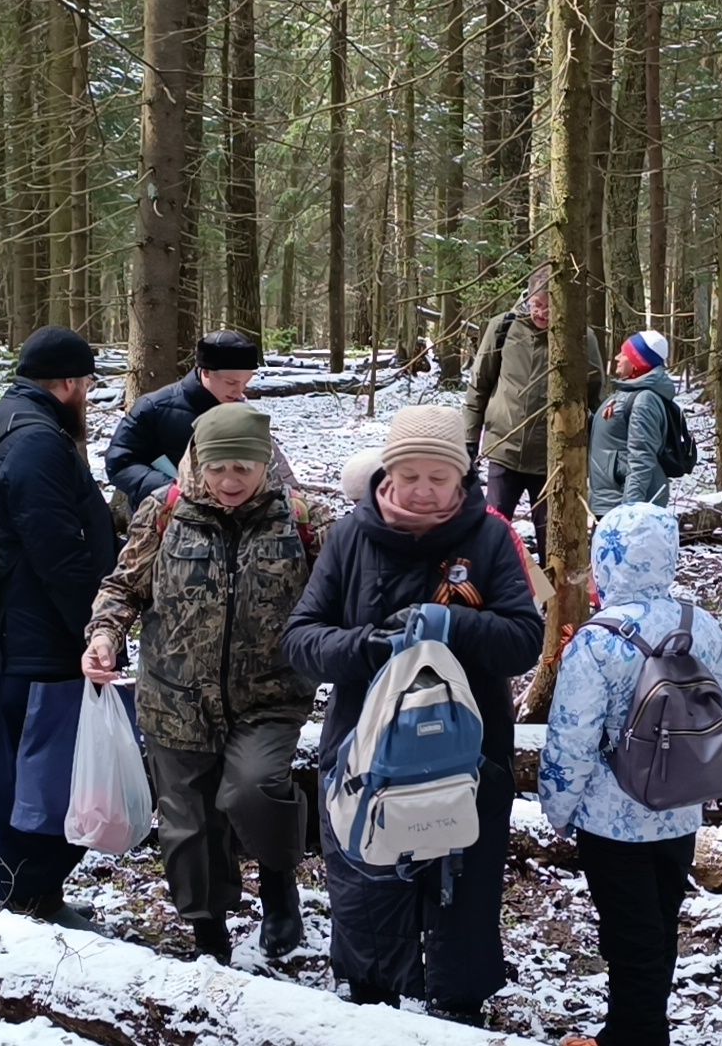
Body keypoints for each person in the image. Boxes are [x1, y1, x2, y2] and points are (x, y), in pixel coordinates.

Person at [283, 405, 543, 1024]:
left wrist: (454, 624)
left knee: (463, 878)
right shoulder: (349, 537)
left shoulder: (489, 538)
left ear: (462, 481)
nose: (424, 492)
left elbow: (524, 638)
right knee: (368, 875)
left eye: (439, 479)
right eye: (412, 476)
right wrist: (369, 645)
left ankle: (458, 1007)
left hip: (468, 754)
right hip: (365, 754)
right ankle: (372, 1004)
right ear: (387, 475)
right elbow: (301, 640)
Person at [81, 404, 314, 965]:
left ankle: (280, 887)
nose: (229, 481)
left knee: (254, 788)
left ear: (266, 464)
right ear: (196, 465)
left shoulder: (303, 519)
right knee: (188, 823)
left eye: (243, 468)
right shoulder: (163, 513)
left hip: (268, 697)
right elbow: (124, 587)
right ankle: (208, 932)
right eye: (217, 468)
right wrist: (104, 635)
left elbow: (339, 594)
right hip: (174, 696)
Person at [540, 502, 722, 1046]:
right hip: (680, 809)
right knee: (657, 926)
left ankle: (636, 1036)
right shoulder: (703, 627)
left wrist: (558, 810)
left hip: (612, 819)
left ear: (606, 560)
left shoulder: (598, 641)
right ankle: (637, 1026)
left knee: (630, 934)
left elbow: (572, 740)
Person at [0, 326, 119, 929]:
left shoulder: (8, 423)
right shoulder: (36, 443)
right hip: (38, 640)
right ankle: (28, 895)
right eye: (85, 382)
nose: (87, 393)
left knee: (17, 764)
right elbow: (58, 552)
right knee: (38, 772)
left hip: (20, 632)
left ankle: (22, 890)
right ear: (65, 383)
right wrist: (96, 625)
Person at [463, 266, 603, 563]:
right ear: (527, 298)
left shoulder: (581, 336)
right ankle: (491, 594)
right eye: (537, 305)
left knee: (552, 542)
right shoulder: (502, 328)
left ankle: (551, 604)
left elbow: (593, 394)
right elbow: (479, 386)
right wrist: (469, 440)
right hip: (505, 450)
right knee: (493, 532)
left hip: (551, 460)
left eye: (549, 308)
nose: (541, 314)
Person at [105, 330, 299, 512]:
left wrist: (294, 498)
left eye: (245, 382)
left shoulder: (241, 411)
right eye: (231, 383)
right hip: (165, 520)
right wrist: (169, 489)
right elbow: (120, 462)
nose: (239, 391)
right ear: (205, 371)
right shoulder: (154, 408)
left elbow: (271, 462)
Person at [588, 330, 677, 518]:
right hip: (610, 502)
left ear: (638, 361)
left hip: (623, 506)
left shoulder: (644, 400)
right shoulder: (627, 393)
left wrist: (629, 513)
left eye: (624, 353)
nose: (617, 357)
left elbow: (641, 459)